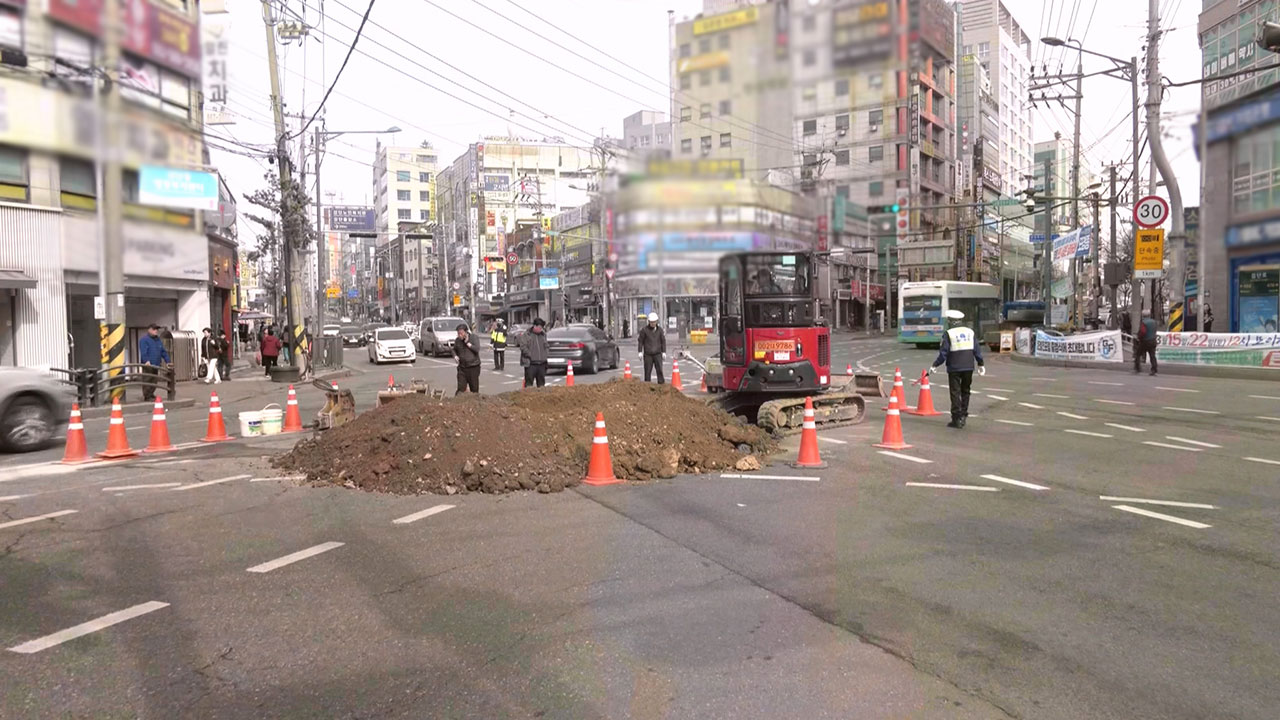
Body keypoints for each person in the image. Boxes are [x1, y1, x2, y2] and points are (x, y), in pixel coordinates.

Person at [929, 309, 985, 429]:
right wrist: (981, 364)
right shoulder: (970, 332)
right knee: (966, 391)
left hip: (954, 367)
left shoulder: (948, 334)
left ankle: (956, 418)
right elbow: (977, 350)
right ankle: (963, 415)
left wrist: (935, 365)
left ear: (951, 321)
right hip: (969, 367)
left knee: (955, 392)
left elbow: (943, 353)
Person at [138, 324, 171, 402]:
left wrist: (168, 361)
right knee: (147, 379)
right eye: (154, 329)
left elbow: (163, 351)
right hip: (148, 364)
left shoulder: (158, 340)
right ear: (149, 330)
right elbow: (143, 352)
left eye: (157, 329)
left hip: (156, 363)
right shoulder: (144, 340)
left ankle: (151, 393)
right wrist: (146, 360)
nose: (156, 331)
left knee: (154, 380)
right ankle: (147, 395)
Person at [518, 317, 549, 387]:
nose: (541, 329)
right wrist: (530, 355)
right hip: (531, 364)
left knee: (541, 385)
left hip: (542, 364)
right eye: (540, 327)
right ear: (535, 326)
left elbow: (546, 346)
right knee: (529, 384)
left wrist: (545, 354)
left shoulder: (543, 335)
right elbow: (523, 347)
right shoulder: (527, 335)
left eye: (542, 328)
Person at [637, 311, 666, 383]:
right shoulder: (644, 330)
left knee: (659, 371)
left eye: (654, 322)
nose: (653, 323)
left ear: (656, 321)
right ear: (649, 322)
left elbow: (663, 341)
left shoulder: (660, 330)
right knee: (647, 371)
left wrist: (664, 352)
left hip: (658, 354)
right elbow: (640, 341)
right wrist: (640, 351)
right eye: (651, 322)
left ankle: (661, 385)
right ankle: (647, 387)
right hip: (648, 355)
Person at [453, 323, 482, 394]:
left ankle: (475, 402)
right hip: (462, 367)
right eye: (458, 333)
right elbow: (453, 349)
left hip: (473, 367)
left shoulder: (474, 338)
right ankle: (458, 402)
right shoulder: (458, 340)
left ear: (466, 332)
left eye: (461, 333)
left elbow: (477, 349)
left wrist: (468, 344)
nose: (460, 335)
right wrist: (455, 355)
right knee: (460, 389)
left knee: (474, 389)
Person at [1135, 309, 1159, 375]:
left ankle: (1137, 368)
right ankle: (1154, 369)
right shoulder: (1154, 322)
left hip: (1145, 341)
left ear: (1143, 315)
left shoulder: (1143, 322)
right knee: (1152, 356)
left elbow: (1143, 331)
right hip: (1153, 340)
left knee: (1138, 354)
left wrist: (1139, 337)